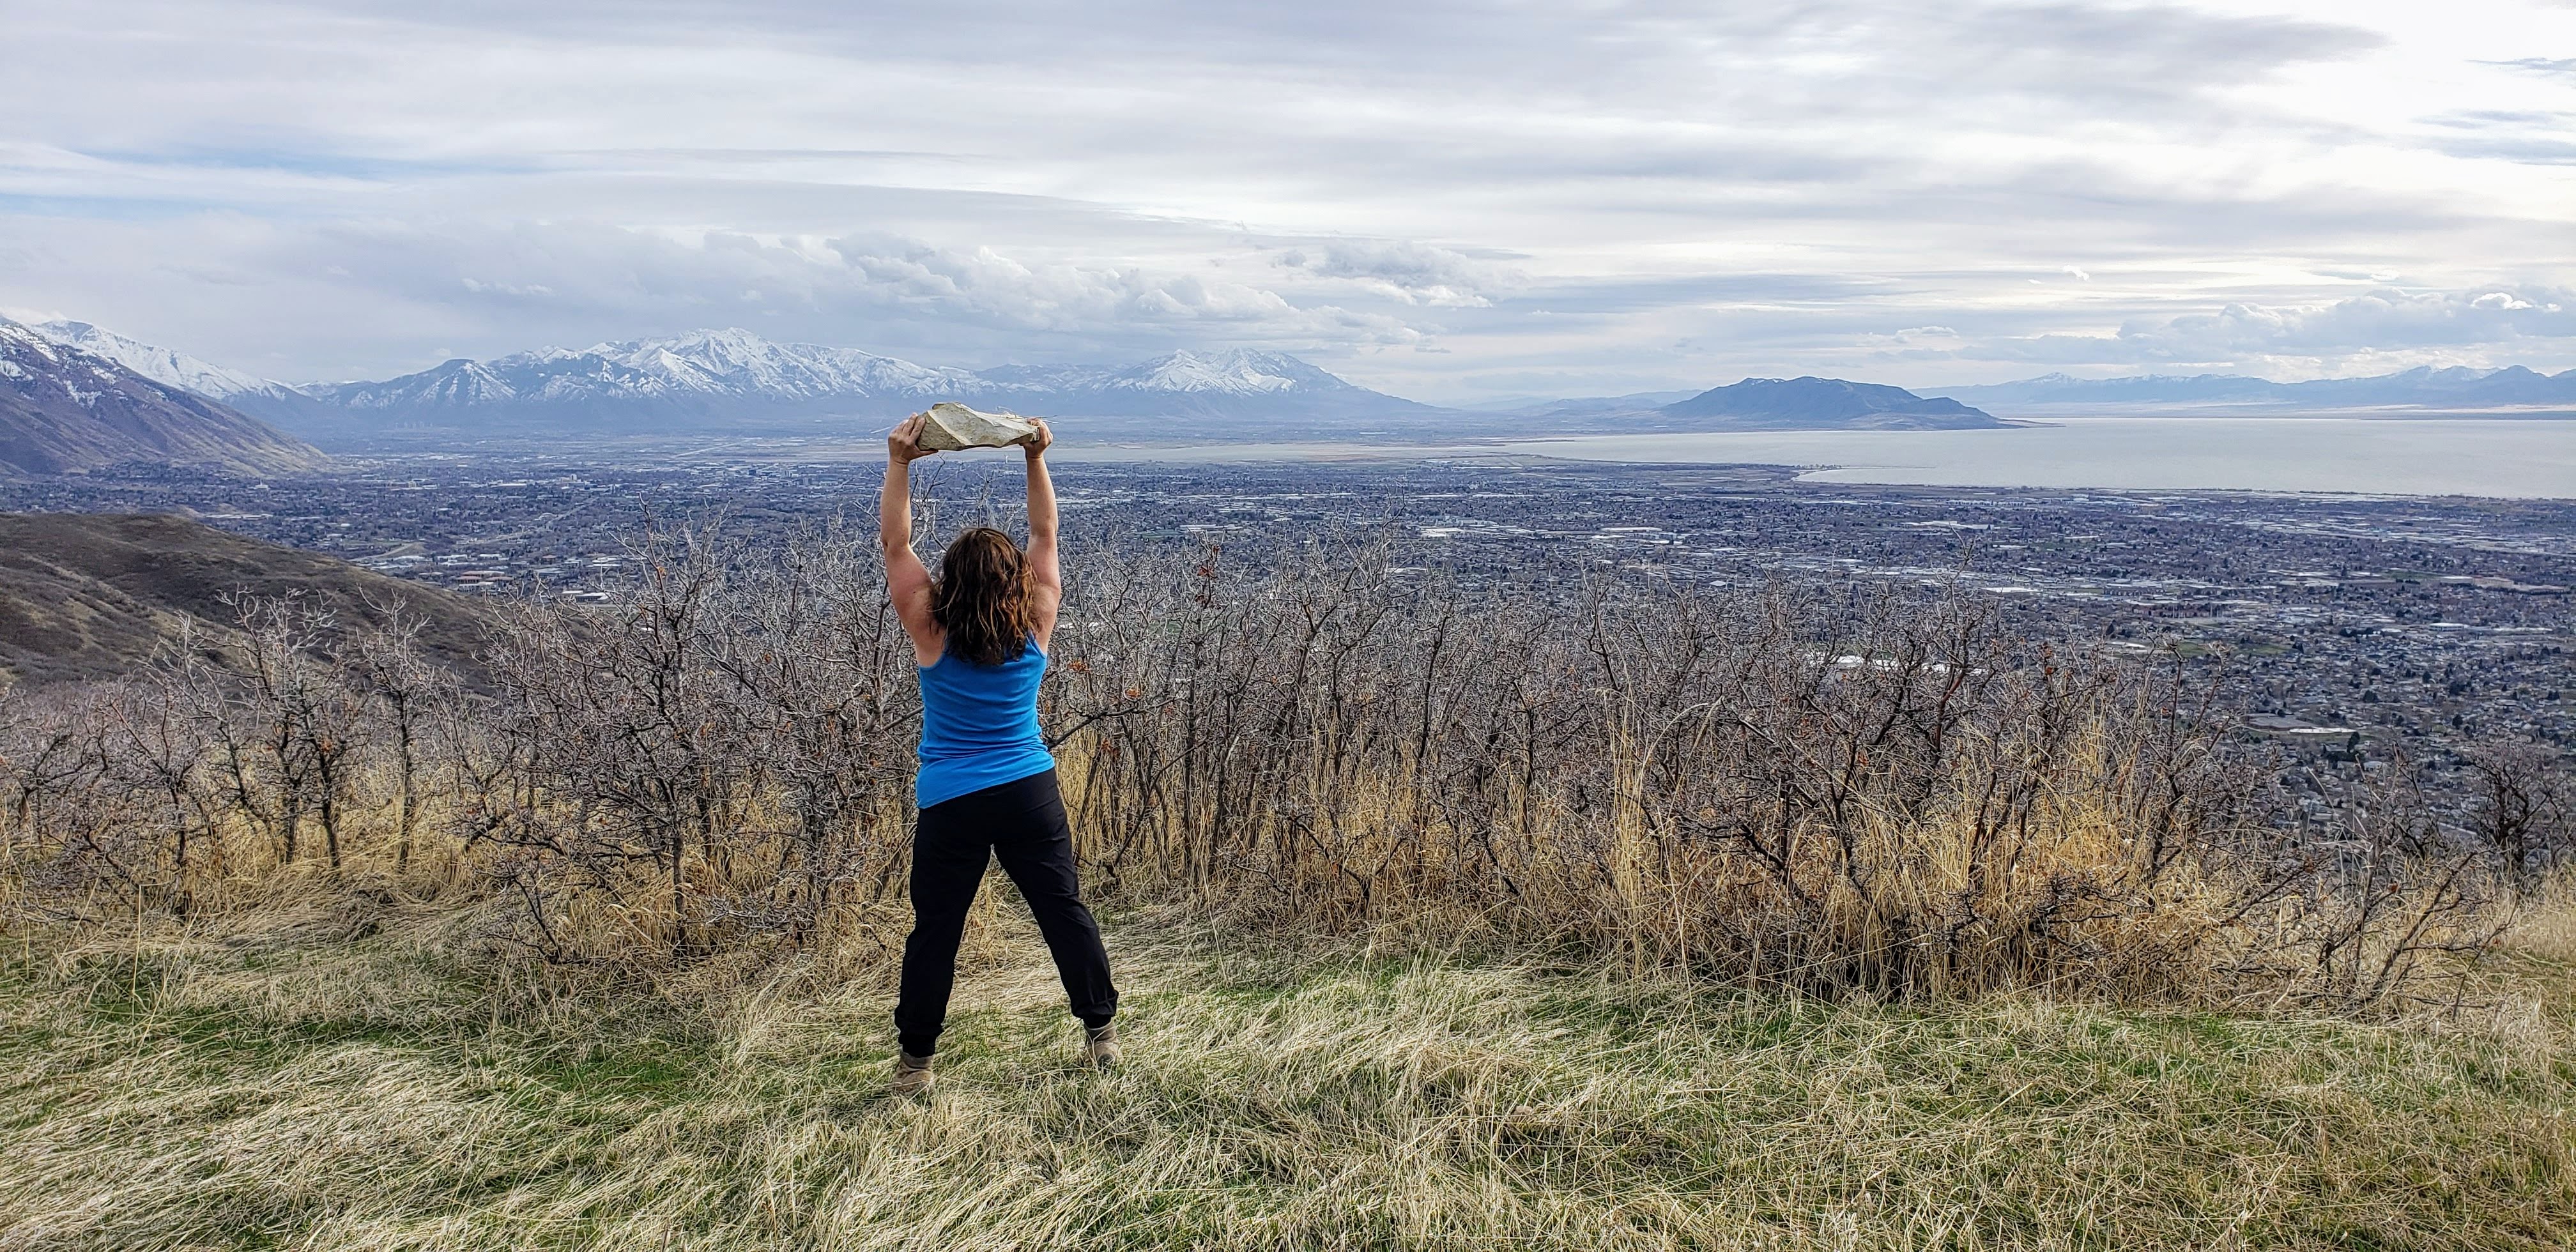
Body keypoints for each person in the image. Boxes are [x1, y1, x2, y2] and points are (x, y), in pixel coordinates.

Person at [878, 411, 1117, 1098]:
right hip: (1026, 789)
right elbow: (1046, 533)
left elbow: (896, 543)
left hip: (950, 797)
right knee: (1062, 909)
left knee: (937, 930)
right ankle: (1101, 1035)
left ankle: (916, 1066)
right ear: (1014, 578)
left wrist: (901, 463)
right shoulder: (1036, 615)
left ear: (949, 579)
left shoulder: (930, 627)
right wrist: (1034, 455)